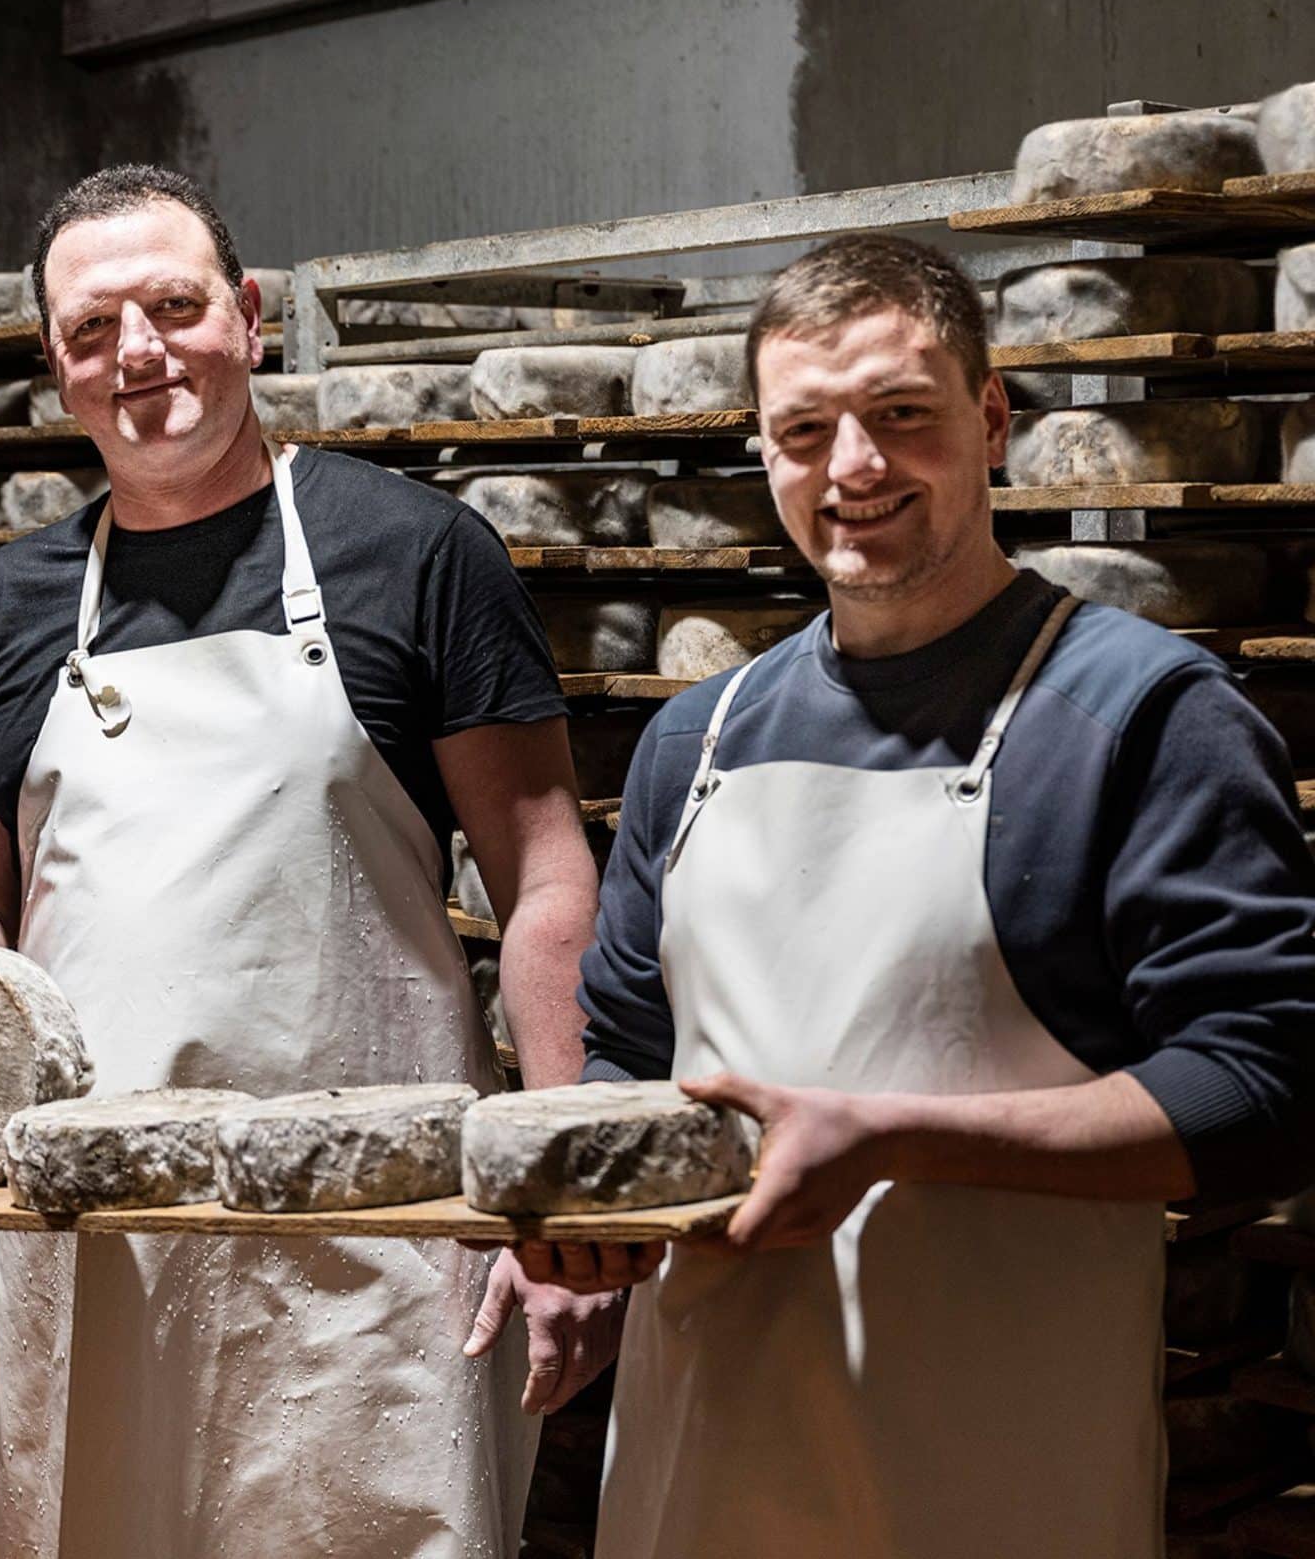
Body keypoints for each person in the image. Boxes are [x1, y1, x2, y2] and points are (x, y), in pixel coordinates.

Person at [0, 164, 618, 1557]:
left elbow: (546, 879)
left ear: (249, 317)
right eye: (92, 330)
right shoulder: (14, 602)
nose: (138, 353)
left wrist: (566, 1189)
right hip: (94, 1235)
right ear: (56, 367)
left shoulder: (415, 551)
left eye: (174, 306)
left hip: (368, 1229)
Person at [547, 234, 1315, 1559]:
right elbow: (625, 1049)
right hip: (699, 1468)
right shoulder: (698, 739)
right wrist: (574, 1230)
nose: (854, 467)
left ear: (992, 419)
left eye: (901, 415)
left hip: (994, 1478)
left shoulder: (1141, 716)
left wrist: (892, 1138)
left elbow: (1268, 1081)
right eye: (806, 429)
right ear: (767, 454)